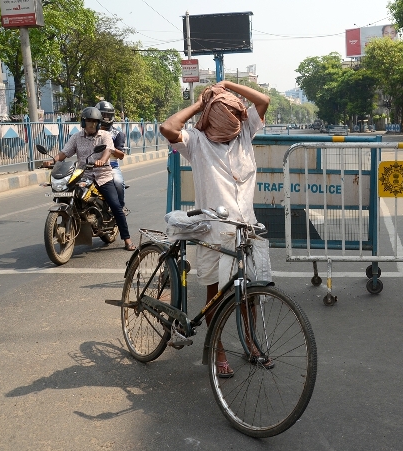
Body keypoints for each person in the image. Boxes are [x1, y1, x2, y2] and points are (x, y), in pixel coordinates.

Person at [159, 80, 270, 378]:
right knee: (215, 296)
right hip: (212, 232)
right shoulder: (196, 141)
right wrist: (203, 103)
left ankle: (251, 342)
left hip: (245, 228)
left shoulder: (245, 134)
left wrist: (229, 86)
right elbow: (167, 127)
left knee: (251, 293)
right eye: (221, 117)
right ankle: (217, 349)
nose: (229, 126)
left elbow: (264, 100)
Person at [52, 107, 136, 251]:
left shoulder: (104, 136)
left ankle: (127, 240)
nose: (90, 125)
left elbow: (108, 150)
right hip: (83, 175)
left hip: (102, 175)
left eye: (94, 122)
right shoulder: (76, 137)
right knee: (68, 194)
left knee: (116, 206)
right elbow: (64, 153)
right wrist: (52, 161)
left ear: (98, 123)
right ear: (83, 123)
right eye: (88, 122)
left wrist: (102, 160)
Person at [95, 101, 128, 214]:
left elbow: (121, 155)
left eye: (108, 115)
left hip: (111, 167)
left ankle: (120, 207)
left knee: (118, 183)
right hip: (91, 167)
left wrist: (111, 148)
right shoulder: (90, 132)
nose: (106, 117)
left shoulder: (117, 134)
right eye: (104, 115)